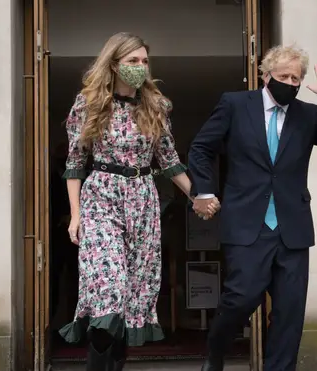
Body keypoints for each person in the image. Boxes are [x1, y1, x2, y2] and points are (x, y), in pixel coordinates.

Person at [58, 32, 219, 371]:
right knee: (109, 290)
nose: (140, 67)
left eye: (144, 61)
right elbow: (74, 164)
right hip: (101, 196)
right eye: (132, 61)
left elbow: (169, 160)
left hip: (143, 200)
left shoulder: (156, 107)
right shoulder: (87, 104)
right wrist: (75, 216)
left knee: (133, 296)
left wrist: (197, 197)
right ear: (114, 64)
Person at [188, 45, 317, 371]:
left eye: (296, 78)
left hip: (292, 227)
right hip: (248, 224)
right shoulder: (235, 104)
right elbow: (201, 148)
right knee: (241, 299)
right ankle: (216, 350)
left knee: (290, 313)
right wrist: (203, 191)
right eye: (283, 76)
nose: (289, 83)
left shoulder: (305, 114)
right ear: (265, 76)